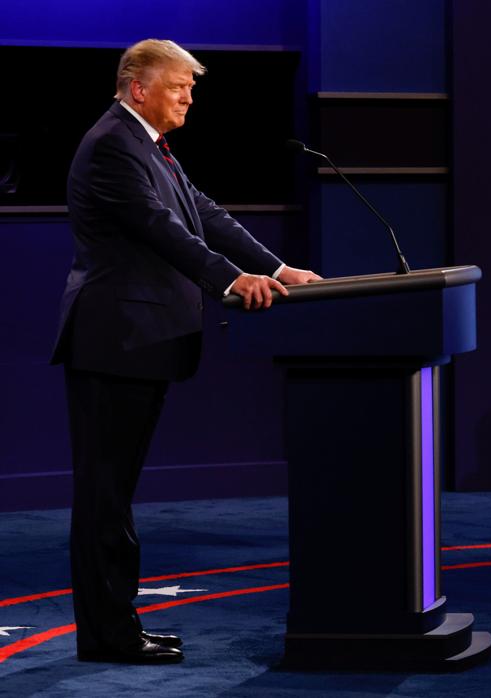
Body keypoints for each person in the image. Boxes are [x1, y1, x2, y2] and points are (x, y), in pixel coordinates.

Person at [50, 39, 321, 664]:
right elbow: (160, 230)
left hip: (135, 342)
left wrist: (277, 267)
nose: (189, 99)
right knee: (105, 499)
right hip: (114, 341)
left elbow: (202, 213)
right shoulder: (114, 145)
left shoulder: (146, 143)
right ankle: (109, 636)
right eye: (179, 87)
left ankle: (116, 628)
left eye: (191, 88)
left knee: (113, 496)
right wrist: (232, 281)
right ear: (138, 86)